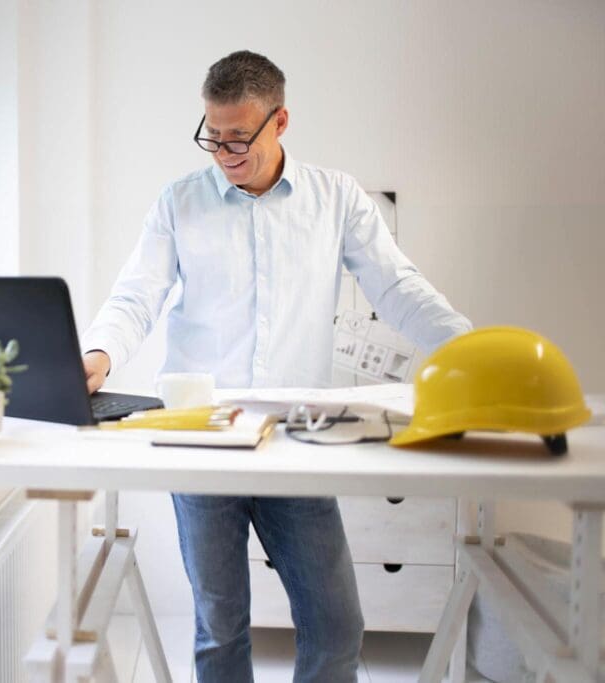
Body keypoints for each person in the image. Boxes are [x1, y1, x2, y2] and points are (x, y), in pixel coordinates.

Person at [80, 50, 472, 682]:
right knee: (219, 625)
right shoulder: (179, 203)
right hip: (201, 438)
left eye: (240, 138)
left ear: (280, 120)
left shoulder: (335, 198)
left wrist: (466, 348)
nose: (225, 153)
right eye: (213, 137)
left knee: (337, 624)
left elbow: (396, 287)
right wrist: (98, 354)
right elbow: (137, 295)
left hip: (297, 438)